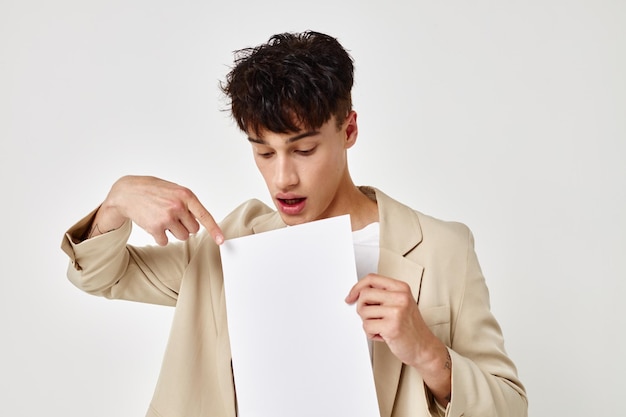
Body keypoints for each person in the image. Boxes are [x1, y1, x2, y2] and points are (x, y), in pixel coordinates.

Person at [61, 31, 527, 417]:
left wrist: (428, 354)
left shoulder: (444, 248)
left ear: (348, 130)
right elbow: (105, 275)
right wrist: (117, 202)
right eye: (264, 152)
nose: (283, 177)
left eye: (304, 150)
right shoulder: (232, 243)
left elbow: (509, 406)